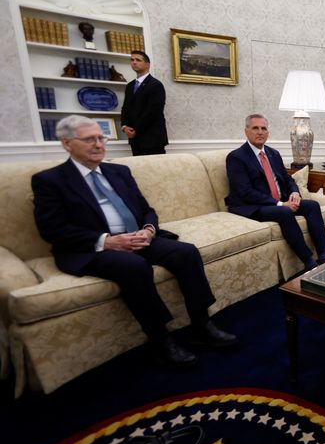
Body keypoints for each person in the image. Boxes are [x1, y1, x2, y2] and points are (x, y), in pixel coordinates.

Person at [31, 116, 237, 368]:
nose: (98, 144)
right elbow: (53, 229)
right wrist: (108, 241)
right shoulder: (50, 180)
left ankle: (201, 324)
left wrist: (149, 229)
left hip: (139, 236)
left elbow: (145, 208)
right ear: (67, 144)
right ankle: (161, 339)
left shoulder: (119, 171)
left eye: (101, 138)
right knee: (134, 267)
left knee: (186, 252)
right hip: (93, 248)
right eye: (89, 139)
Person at [225, 114, 325, 271]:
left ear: (268, 133)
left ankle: (323, 254)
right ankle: (308, 261)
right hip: (252, 206)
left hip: (279, 201)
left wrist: (295, 193)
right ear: (246, 131)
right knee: (284, 212)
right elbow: (245, 192)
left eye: (264, 128)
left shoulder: (273, 154)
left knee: (312, 205)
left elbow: (288, 179)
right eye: (255, 128)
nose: (260, 132)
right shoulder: (236, 157)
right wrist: (281, 203)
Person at [121, 50, 168, 156]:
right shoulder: (130, 86)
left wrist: (135, 129)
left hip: (152, 139)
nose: (134, 62)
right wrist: (124, 127)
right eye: (132, 60)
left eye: (138, 60)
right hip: (135, 140)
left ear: (147, 64)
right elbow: (125, 108)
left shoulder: (156, 85)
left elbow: (153, 111)